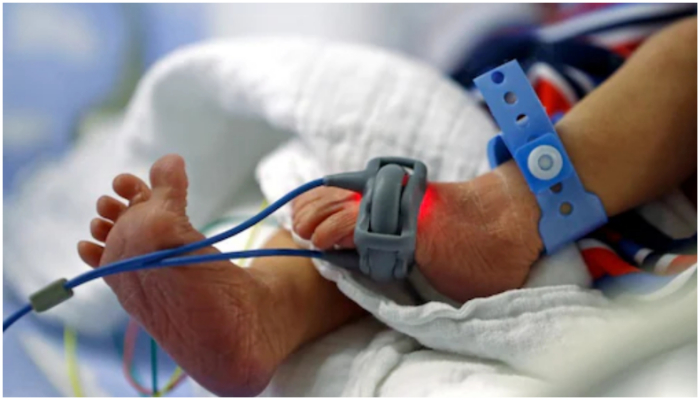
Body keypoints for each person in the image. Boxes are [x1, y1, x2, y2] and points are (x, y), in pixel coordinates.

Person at [77, 15, 696, 396]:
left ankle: (506, 209)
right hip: (535, 138)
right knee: (356, 204)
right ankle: (263, 303)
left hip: (588, 142)